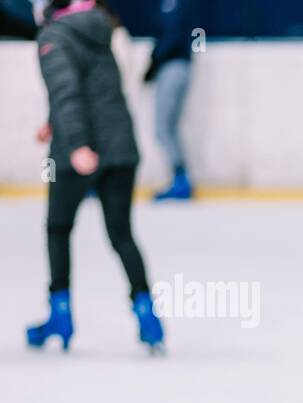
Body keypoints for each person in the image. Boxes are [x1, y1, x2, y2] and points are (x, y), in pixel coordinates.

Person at [26, 0, 164, 353]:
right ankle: (148, 316)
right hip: (120, 148)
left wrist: (75, 144)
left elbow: (67, 91)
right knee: (121, 233)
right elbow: (93, 87)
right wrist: (53, 123)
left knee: (57, 228)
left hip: (81, 150)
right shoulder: (101, 29)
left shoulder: (53, 37)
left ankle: (61, 315)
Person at [144, 0, 198, 201]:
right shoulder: (168, 5)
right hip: (173, 66)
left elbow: (173, 36)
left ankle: (181, 180)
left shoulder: (177, 5)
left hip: (173, 66)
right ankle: (180, 179)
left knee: (163, 128)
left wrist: (154, 61)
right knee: (168, 128)